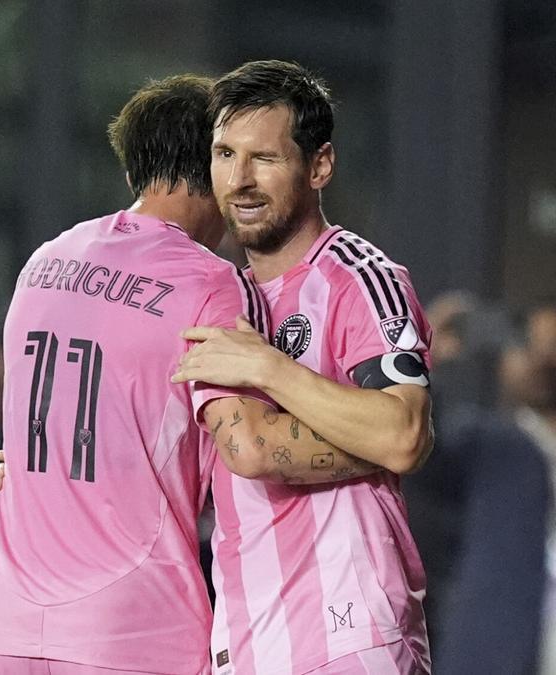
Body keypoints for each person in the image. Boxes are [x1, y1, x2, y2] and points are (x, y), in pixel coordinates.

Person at [0, 75, 393, 675]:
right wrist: (383, 445)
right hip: (127, 626)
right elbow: (251, 446)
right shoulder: (207, 281)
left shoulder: (44, 262)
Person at [171, 60, 433, 673]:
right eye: (225, 155)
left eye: (264, 158)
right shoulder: (217, 296)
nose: (240, 180)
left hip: (351, 634)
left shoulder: (359, 278)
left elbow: (404, 431)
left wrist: (270, 368)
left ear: (319, 166)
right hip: (244, 638)